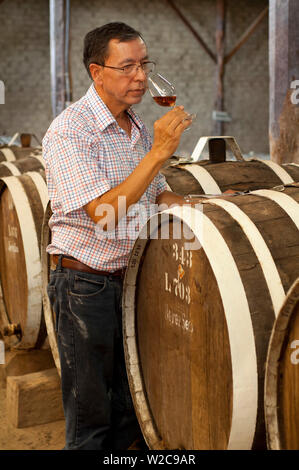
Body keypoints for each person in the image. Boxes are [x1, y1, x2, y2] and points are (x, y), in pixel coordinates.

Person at [43, 22, 192, 450]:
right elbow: (104, 215)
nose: (141, 77)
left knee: (134, 409)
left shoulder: (139, 127)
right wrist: (160, 152)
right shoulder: (70, 131)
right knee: (92, 418)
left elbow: (158, 190)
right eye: (127, 67)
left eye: (144, 65)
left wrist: (199, 211)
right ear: (97, 72)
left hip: (134, 282)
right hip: (85, 288)